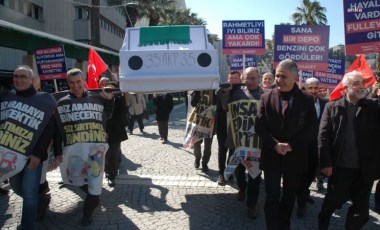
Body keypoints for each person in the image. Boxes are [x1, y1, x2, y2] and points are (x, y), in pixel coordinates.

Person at [255, 59, 318, 229]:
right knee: (271, 197)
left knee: (289, 198)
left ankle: (284, 226)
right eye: (277, 75)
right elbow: (259, 126)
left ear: (295, 77)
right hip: (271, 156)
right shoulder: (266, 97)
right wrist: (275, 144)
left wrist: (291, 145)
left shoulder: (306, 99)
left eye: (283, 76)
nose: (278, 79)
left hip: (295, 158)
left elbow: (312, 129)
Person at [318, 71, 380, 230]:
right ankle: (323, 219)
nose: (361, 87)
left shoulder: (373, 108)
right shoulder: (332, 107)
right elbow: (323, 137)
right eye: (356, 83)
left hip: (364, 170)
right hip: (340, 168)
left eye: (362, 83)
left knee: (360, 211)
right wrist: (326, 163)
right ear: (345, 88)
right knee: (333, 201)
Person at [54, 68, 114, 226]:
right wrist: (58, 152)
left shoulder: (97, 99)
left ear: (84, 81)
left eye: (78, 82)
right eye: (71, 83)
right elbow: (57, 130)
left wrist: (109, 100)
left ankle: (87, 215)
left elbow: (108, 115)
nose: (75, 86)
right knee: (77, 180)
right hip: (74, 152)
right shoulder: (62, 103)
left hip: (96, 152)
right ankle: (92, 197)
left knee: (94, 188)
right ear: (68, 83)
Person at [1, 65, 57, 230]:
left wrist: (38, 154)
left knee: (29, 195)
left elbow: (49, 130)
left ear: (32, 80)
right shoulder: (6, 98)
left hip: (32, 157)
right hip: (10, 155)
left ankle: (26, 226)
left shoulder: (45, 99)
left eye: (23, 76)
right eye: (16, 76)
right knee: (17, 187)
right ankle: (42, 200)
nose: (18, 79)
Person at [226, 67, 264, 219]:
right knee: (238, 170)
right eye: (247, 78)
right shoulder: (236, 93)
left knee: (255, 175)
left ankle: (251, 206)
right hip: (238, 141)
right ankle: (242, 187)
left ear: (259, 78)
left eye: (253, 78)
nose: (250, 81)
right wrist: (225, 92)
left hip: (257, 143)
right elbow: (224, 107)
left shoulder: (266, 95)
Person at [296, 77, 327, 218]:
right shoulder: (298, 103)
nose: (314, 91)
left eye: (316, 88)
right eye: (311, 88)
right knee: (301, 174)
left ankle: (304, 192)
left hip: (317, 147)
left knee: (311, 174)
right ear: (306, 88)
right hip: (301, 146)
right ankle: (301, 203)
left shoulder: (326, 103)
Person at [215, 71, 241, 185]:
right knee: (222, 149)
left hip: (235, 126)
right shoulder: (221, 90)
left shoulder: (242, 91)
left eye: (236, 78)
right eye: (231, 78)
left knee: (233, 149)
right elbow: (223, 106)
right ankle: (221, 173)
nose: (233, 80)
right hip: (222, 125)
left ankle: (229, 171)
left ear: (240, 79)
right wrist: (226, 91)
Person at [102, 80, 129, 187]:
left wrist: (115, 97)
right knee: (106, 154)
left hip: (116, 131)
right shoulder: (100, 98)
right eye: (106, 87)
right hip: (104, 130)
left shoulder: (119, 99)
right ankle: (110, 168)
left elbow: (123, 109)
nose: (108, 89)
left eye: (111, 88)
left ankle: (111, 175)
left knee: (112, 153)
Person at [189, 90, 216, 173]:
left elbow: (216, 106)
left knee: (208, 146)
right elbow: (193, 104)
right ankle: (197, 159)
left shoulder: (214, 91)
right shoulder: (197, 90)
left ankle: (204, 163)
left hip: (210, 123)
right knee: (196, 143)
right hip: (198, 122)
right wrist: (196, 93)